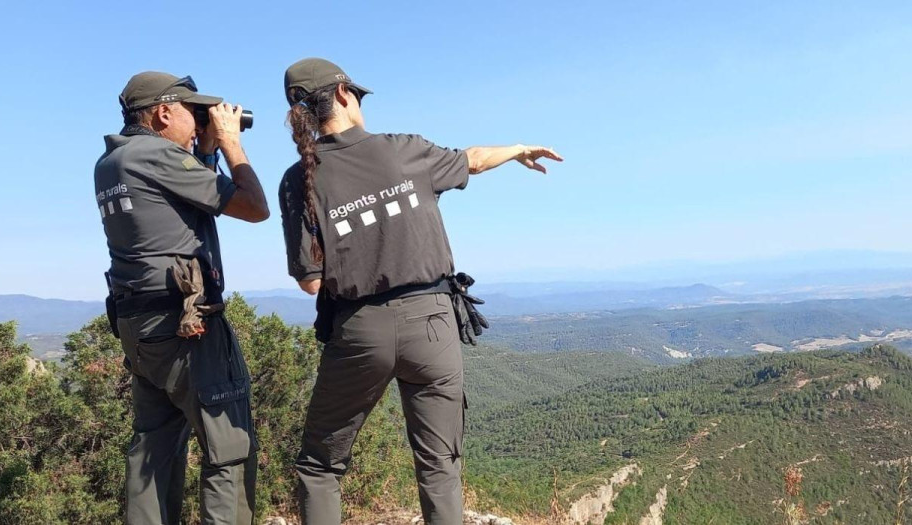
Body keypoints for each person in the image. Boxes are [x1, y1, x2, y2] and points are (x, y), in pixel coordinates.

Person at [278, 57, 562, 525]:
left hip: (358, 330)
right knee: (439, 466)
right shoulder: (404, 150)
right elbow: (471, 159)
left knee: (320, 466)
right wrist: (516, 149)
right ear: (345, 95)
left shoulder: (300, 180)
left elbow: (311, 280)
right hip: (433, 324)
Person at [94, 71, 270, 524]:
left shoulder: (113, 161)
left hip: (140, 326)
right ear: (163, 112)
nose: (198, 123)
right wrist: (229, 142)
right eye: (192, 114)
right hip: (186, 327)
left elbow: (187, 205)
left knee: (155, 450)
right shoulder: (157, 155)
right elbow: (254, 207)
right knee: (227, 446)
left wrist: (204, 151)